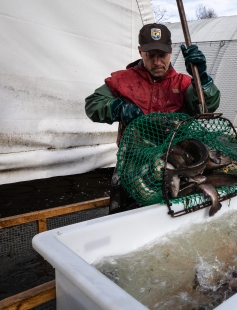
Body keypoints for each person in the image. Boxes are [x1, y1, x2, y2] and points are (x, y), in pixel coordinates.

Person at [85, 23, 220, 214]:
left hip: (176, 163)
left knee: (172, 219)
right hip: (132, 164)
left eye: (162, 55)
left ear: (171, 52)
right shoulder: (122, 80)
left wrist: (203, 79)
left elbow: (208, 105)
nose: (157, 62)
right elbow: (92, 104)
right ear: (140, 51)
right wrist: (117, 107)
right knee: (122, 218)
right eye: (151, 55)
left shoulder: (183, 83)